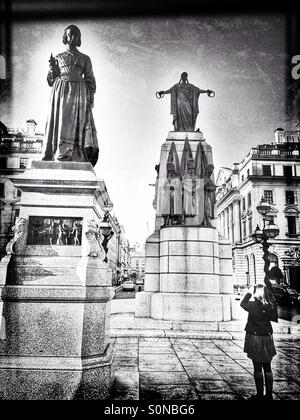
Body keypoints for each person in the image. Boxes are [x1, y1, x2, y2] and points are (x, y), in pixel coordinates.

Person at [43, 25, 99, 166]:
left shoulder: (85, 58)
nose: (72, 37)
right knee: (60, 122)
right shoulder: (58, 57)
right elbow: (50, 81)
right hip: (60, 90)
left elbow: (91, 80)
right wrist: (52, 70)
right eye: (69, 35)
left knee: (77, 124)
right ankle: (57, 152)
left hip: (79, 92)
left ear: (79, 38)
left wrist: (90, 99)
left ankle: (77, 153)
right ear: (65, 37)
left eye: (76, 35)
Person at [240, 282, 278, 400]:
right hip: (267, 337)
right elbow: (273, 306)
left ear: (256, 293)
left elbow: (242, 304)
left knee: (257, 367)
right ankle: (269, 395)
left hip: (255, 337)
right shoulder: (270, 305)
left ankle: (260, 395)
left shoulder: (252, 305)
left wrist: (249, 293)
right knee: (267, 366)